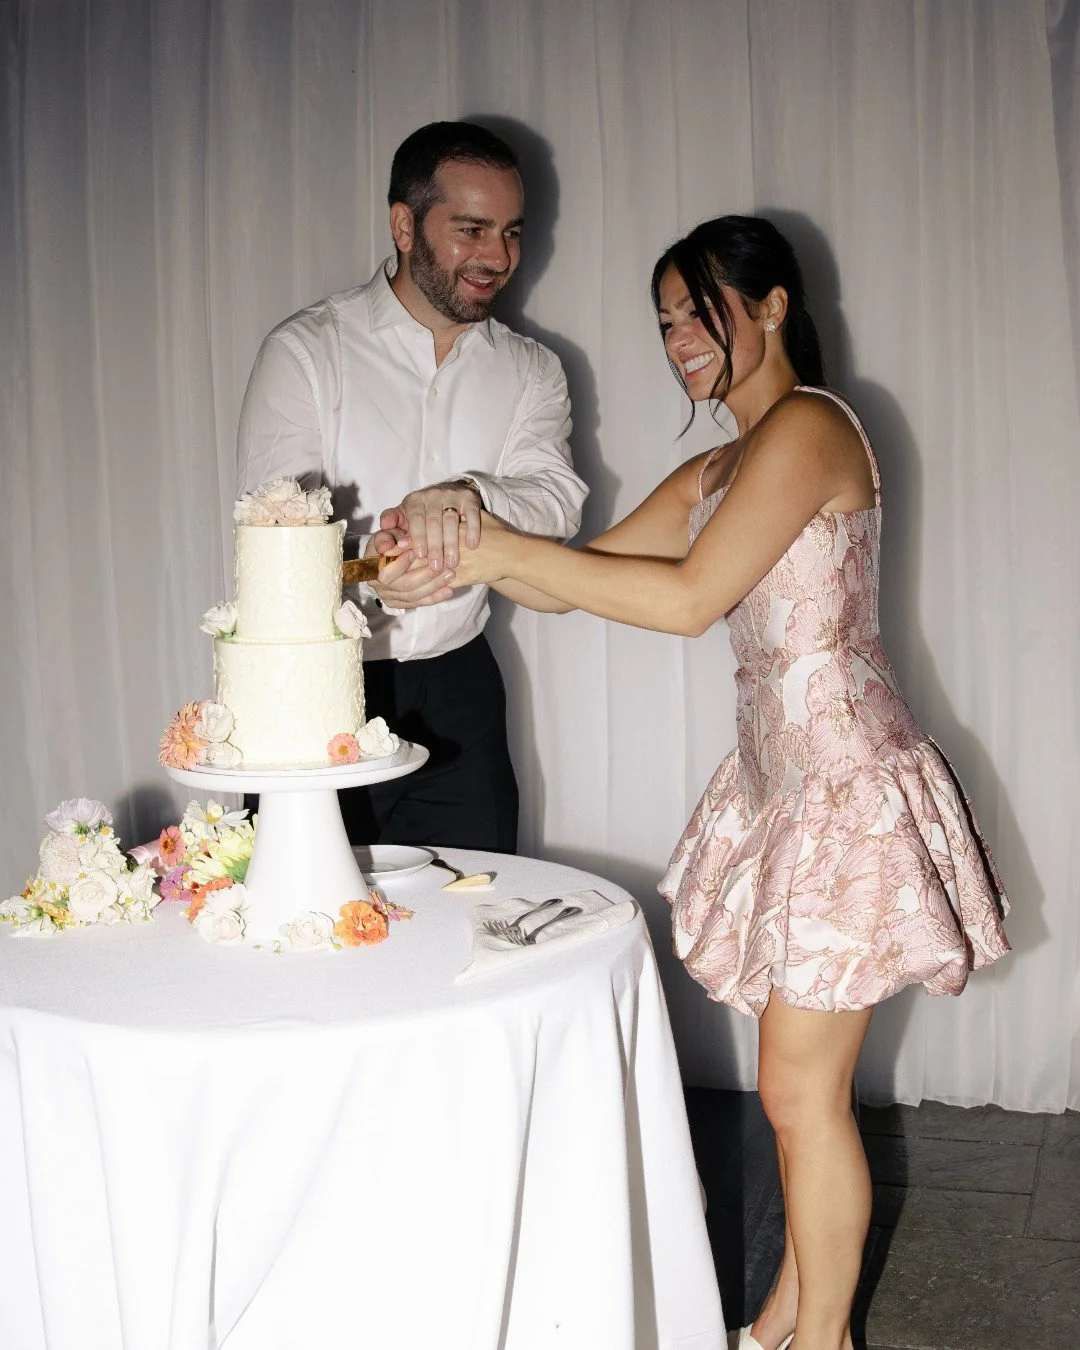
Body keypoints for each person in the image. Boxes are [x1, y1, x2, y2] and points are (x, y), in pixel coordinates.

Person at [428, 215, 1010, 1350]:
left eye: (701, 313)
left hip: (848, 797)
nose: (679, 340)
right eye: (663, 323)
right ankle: (787, 1317)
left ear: (775, 306)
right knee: (795, 1098)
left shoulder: (809, 427)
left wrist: (502, 551)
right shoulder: (718, 463)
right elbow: (574, 584)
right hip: (784, 792)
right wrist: (465, 537)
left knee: (800, 1098)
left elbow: (691, 598)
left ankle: (824, 1339)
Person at [236, 122, 587, 852]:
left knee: (477, 922)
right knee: (313, 938)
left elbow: (556, 504)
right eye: (472, 229)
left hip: (461, 690)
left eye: (512, 233)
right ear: (404, 224)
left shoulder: (533, 371)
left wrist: (467, 496)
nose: (498, 257)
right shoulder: (305, 353)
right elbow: (273, 558)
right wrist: (376, 572)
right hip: (314, 685)